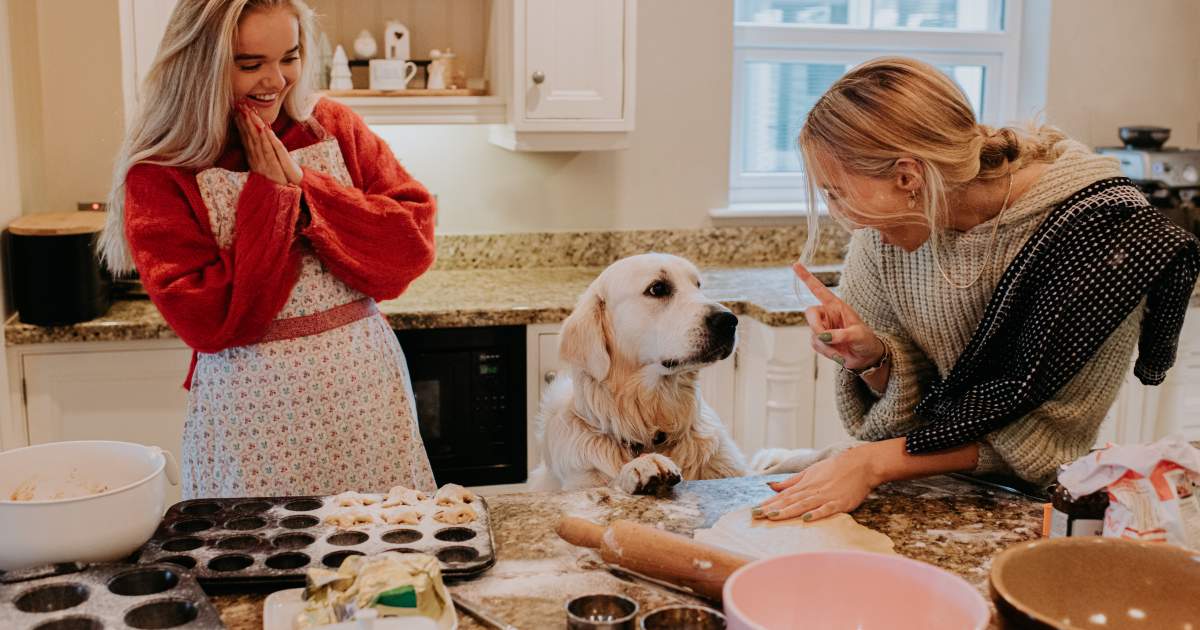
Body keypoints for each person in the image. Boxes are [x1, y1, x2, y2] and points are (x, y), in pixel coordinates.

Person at [756, 57, 1200, 522]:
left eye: (837, 193)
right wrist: (872, 359)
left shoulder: (1101, 237)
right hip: (925, 485)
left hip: (1036, 507)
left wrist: (872, 463)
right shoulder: (885, 235)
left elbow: (1047, 439)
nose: (837, 213)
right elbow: (911, 419)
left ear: (908, 177)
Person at [98, 0, 437, 499]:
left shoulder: (331, 127)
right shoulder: (161, 170)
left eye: (290, 57)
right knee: (259, 567)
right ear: (200, 65)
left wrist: (304, 188)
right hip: (250, 414)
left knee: (382, 556)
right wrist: (271, 198)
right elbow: (211, 321)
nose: (276, 81)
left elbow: (409, 247)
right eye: (249, 64)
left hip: (366, 397)